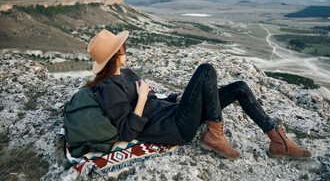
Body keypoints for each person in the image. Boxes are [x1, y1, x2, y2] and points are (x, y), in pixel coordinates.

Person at [85, 29, 311, 159]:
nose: (126, 48)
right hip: (173, 127)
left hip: (176, 111)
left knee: (240, 87)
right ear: (116, 53)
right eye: (122, 47)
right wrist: (143, 97)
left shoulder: (127, 73)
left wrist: (175, 98)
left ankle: (277, 140)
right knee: (206, 70)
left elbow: (154, 100)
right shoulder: (108, 88)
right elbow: (126, 131)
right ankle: (214, 135)